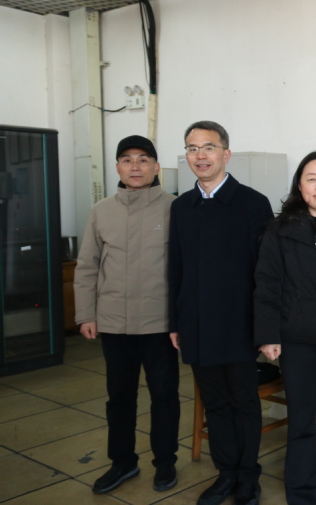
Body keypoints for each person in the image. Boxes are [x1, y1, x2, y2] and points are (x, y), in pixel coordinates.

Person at [168, 121, 273, 505]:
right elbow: (175, 268)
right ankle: (226, 474)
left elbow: (267, 273)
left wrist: (265, 328)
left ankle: (248, 477)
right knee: (215, 404)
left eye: (208, 147)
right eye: (192, 148)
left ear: (226, 154)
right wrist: (175, 322)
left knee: (244, 402)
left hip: (239, 325)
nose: (200, 156)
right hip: (196, 324)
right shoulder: (181, 206)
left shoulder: (253, 203)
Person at [74, 135, 180, 494]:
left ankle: (165, 462)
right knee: (119, 397)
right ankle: (122, 462)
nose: (135, 166)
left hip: (160, 323)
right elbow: (87, 266)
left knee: (164, 395)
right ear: (118, 167)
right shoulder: (101, 210)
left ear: (156, 167)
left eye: (143, 159)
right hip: (114, 323)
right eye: (127, 159)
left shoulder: (175, 208)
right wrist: (86, 314)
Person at [254, 151, 316, 505]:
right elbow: (266, 284)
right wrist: (268, 335)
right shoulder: (280, 229)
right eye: (312, 178)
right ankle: (302, 493)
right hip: (296, 338)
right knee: (301, 421)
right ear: (300, 185)